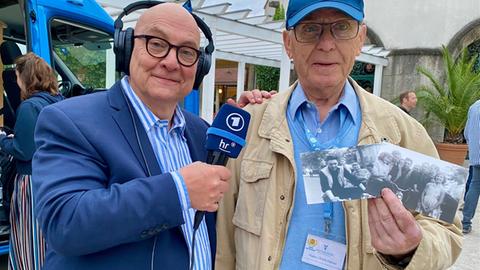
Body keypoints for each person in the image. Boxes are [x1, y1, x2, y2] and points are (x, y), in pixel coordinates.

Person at [215, 1, 462, 269]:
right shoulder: (252, 125)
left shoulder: (400, 132)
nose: (326, 44)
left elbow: (447, 230)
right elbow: (223, 240)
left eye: (341, 27)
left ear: (360, 39)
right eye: (310, 29)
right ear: (288, 43)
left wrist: (411, 249)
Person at [30, 3, 242, 269]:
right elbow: (65, 222)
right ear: (127, 48)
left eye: (186, 52)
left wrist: (253, 117)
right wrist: (179, 191)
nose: (171, 62)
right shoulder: (69, 120)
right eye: (156, 44)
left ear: (200, 67)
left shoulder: (200, 131)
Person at [0, 52, 64, 270]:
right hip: (54, 179)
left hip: (31, 184)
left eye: (17, 75)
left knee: (29, 242)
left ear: (26, 77)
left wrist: (3, 140)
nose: (15, 81)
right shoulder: (58, 101)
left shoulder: (29, 106)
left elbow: (23, 150)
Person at [462, 99, 480, 234]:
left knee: (474, 186)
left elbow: (466, 132)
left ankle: (465, 222)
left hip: (476, 155)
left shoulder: (474, 107)